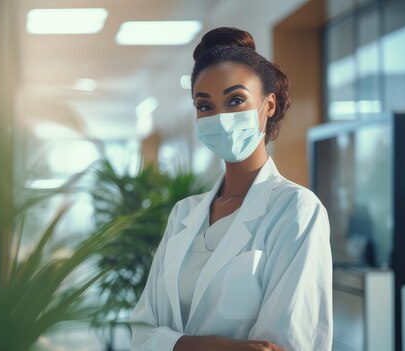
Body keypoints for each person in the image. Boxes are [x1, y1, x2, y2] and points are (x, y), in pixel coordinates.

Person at [129, 27, 333, 351]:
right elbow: (140, 333)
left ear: (268, 105)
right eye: (205, 106)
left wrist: (175, 344)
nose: (220, 118)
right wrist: (212, 346)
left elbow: (289, 344)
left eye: (235, 100)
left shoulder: (296, 210)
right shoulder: (184, 213)